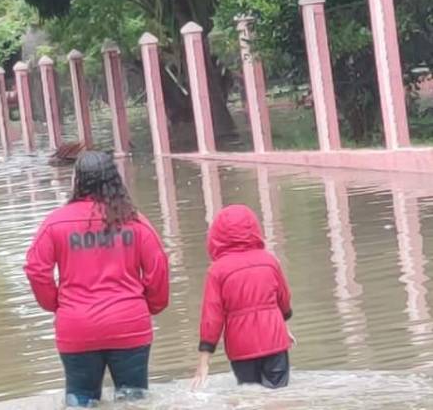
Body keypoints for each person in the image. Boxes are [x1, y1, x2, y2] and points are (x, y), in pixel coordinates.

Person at [25, 151, 169, 407]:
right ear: (115, 179)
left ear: (76, 181)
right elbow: (158, 269)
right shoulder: (135, 222)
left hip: (77, 326)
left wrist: (56, 304)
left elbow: (37, 270)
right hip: (129, 324)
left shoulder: (55, 223)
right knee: (134, 401)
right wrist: (151, 306)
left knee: (80, 400)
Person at [192, 204, 293, 390]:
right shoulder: (270, 261)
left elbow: (211, 318)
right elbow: (283, 300)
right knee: (279, 396)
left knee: (250, 398)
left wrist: (204, 361)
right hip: (275, 341)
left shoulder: (217, 271)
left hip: (241, 348)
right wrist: (283, 327)